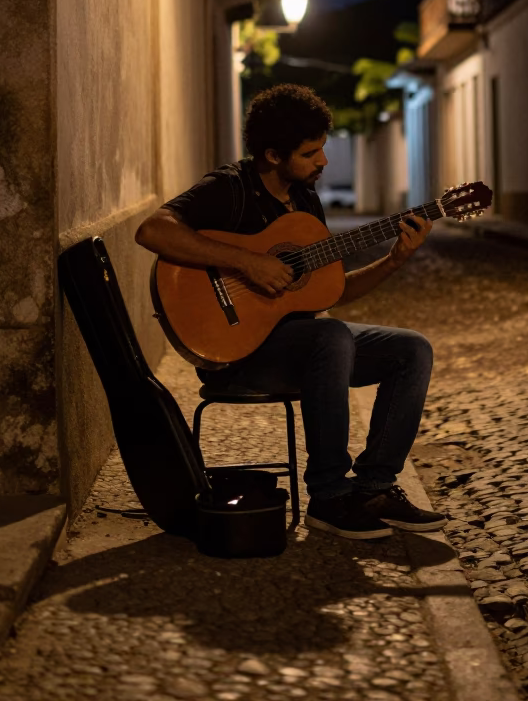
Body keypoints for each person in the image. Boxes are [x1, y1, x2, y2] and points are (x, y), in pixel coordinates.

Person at [135, 83, 445, 540]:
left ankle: (373, 488)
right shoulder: (229, 188)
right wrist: (246, 261)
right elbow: (152, 230)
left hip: (307, 349)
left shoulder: (304, 202)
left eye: (322, 149)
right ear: (273, 155)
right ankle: (329, 496)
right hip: (238, 355)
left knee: (410, 349)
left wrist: (395, 259)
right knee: (331, 336)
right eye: (310, 152)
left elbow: (327, 292)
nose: (323, 161)